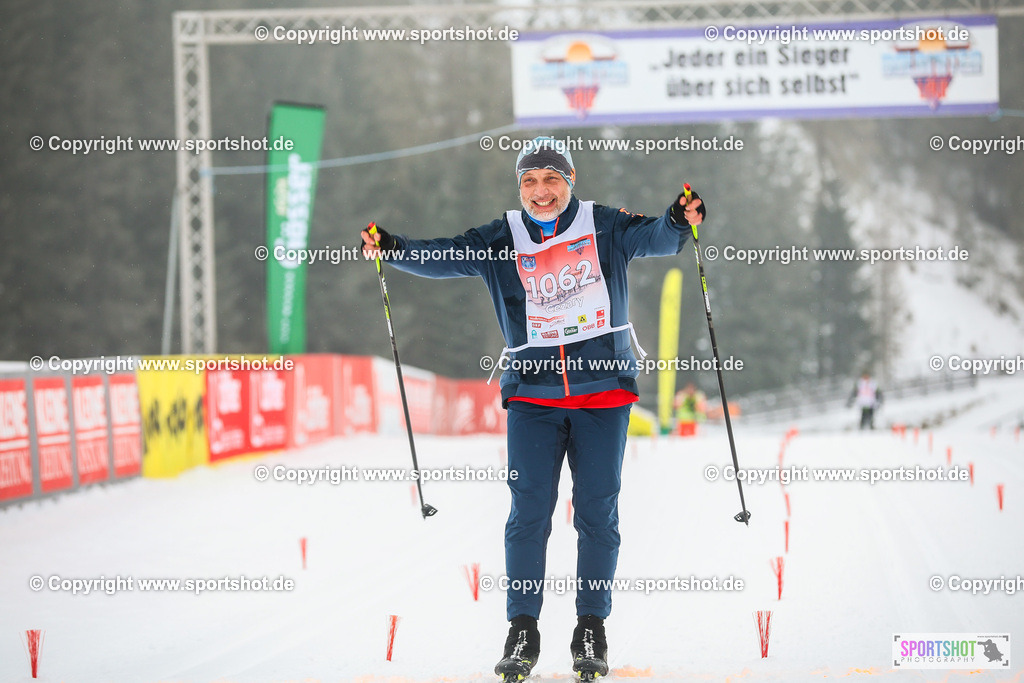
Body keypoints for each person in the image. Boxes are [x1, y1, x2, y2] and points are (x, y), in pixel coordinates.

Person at [360, 136, 705, 680]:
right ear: (519, 186)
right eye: (529, 181)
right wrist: (395, 247)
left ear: (571, 181)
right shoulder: (501, 238)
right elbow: (445, 256)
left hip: (603, 394)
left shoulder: (605, 225)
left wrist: (677, 218)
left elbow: (659, 239)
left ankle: (591, 628)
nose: (541, 191)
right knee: (527, 514)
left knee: (597, 515)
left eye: (552, 179)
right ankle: (522, 630)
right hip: (532, 399)